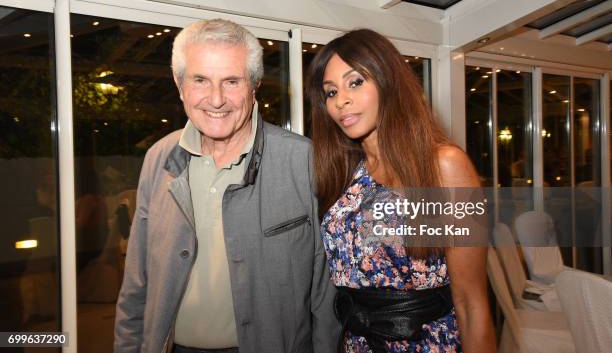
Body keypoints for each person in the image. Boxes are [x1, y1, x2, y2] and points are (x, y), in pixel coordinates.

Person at [114, 19, 340, 353]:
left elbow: (325, 290)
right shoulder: (159, 157)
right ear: (180, 84)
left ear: (254, 85)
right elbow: (137, 280)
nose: (216, 99)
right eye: (200, 80)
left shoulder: (303, 160)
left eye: (232, 81)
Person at [307, 29, 496, 352]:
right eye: (330, 92)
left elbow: (472, 302)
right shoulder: (344, 173)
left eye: (355, 82)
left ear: (388, 82)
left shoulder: (446, 166)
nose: (341, 100)